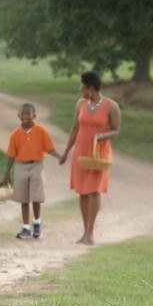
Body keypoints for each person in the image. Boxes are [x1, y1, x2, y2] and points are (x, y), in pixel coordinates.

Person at [60, 71, 120, 245]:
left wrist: (102, 136)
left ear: (91, 88)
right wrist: (65, 152)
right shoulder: (81, 104)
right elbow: (74, 129)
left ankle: (91, 233)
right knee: (83, 191)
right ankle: (84, 231)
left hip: (99, 152)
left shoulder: (111, 106)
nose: (80, 89)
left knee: (94, 191)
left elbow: (116, 129)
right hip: (81, 151)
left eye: (83, 86)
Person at [1, 103, 61, 239]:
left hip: (36, 165)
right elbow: (11, 156)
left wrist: (59, 157)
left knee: (36, 197)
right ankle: (26, 227)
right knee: (23, 198)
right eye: (23, 114)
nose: (25, 116)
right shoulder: (15, 135)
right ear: (18, 116)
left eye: (28, 114)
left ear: (34, 115)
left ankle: (37, 224)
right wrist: (6, 175)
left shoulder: (41, 131)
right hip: (21, 166)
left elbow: (49, 148)